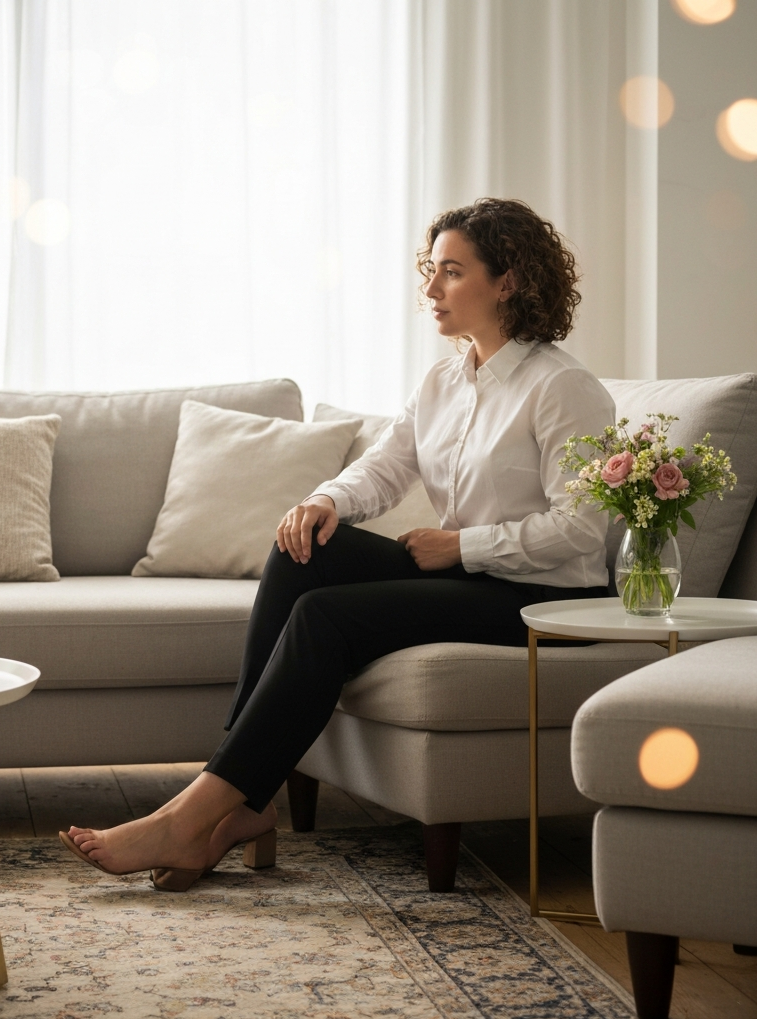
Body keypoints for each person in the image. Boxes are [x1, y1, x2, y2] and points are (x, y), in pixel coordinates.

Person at [60, 197, 615, 890]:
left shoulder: (563, 387)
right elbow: (384, 467)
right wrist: (325, 501)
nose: (430, 289)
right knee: (304, 547)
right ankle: (241, 801)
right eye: (431, 270)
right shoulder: (444, 381)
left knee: (324, 617)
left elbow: (582, 528)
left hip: (544, 601)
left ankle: (193, 815)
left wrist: (462, 547)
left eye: (451, 272)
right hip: (471, 576)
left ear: (508, 281)